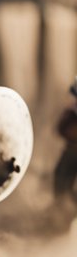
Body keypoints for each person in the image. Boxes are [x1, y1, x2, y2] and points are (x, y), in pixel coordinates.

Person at [52, 77, 77, 219]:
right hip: (70, 151)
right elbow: (61, 129)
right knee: (61, 181)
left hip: (72, 152)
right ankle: (61, 214)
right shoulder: (71, 112)